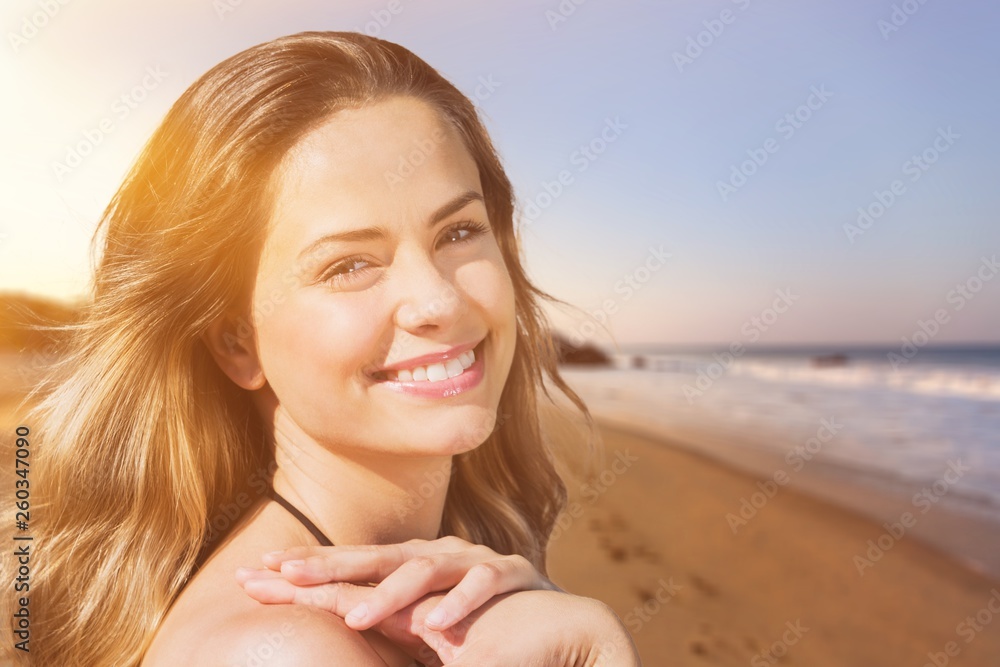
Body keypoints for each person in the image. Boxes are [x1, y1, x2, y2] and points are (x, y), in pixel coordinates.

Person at [27, 31, 641, 666]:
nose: (438, 303)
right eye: (349, 265)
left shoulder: (435, 599)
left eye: (458, 231)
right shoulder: (289, 651)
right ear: (238, 343)